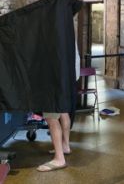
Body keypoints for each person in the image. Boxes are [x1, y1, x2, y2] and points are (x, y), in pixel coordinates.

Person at [37, 42, 80, 172]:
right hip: (67, 76)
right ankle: (65, 146)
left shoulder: (53, 29)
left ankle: (59, 158)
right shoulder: (64, 27)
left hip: (54, 78)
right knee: (63, 111)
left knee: (51, 117)